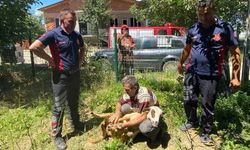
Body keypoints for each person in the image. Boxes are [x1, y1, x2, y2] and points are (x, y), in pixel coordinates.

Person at [177, 0, 241, 144]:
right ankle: (192, 121)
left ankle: (205, 131)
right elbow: (187, 48)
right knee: (189, 99)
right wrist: (180, 63)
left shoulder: (224, 28)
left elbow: (235, 52)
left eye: (206, 14)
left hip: (211, 75)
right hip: (191, 72)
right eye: (200, 15)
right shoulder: (194, 28)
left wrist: (236, 77)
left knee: (207, 104)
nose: (203, 18)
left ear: (213, 11)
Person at [29, 10, 86, 149]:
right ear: (62, 21)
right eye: (70, 21)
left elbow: (82, 48)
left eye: (75, 21)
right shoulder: (53, 34)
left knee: (73, 101)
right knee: (58, 106)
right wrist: (50, 59)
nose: (74, 24)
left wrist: (79, 62)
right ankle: (57, 135)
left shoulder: (76, 35)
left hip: (75, 74)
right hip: (60, 76)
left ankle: (76, 124)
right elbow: (33, 47)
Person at [109, 75, 162, 141]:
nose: (125, 91)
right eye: (124, 89)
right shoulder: (129, 91)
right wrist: (117, 112)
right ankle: (135, 127)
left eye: (127, 90)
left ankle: (156, 131)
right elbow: (119, 103)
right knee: (123, 108)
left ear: (135, 88)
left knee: (144, 128)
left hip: (151, 113)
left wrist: (125, 125)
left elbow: (142, 117)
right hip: (140, 109)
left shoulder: (144, 96)